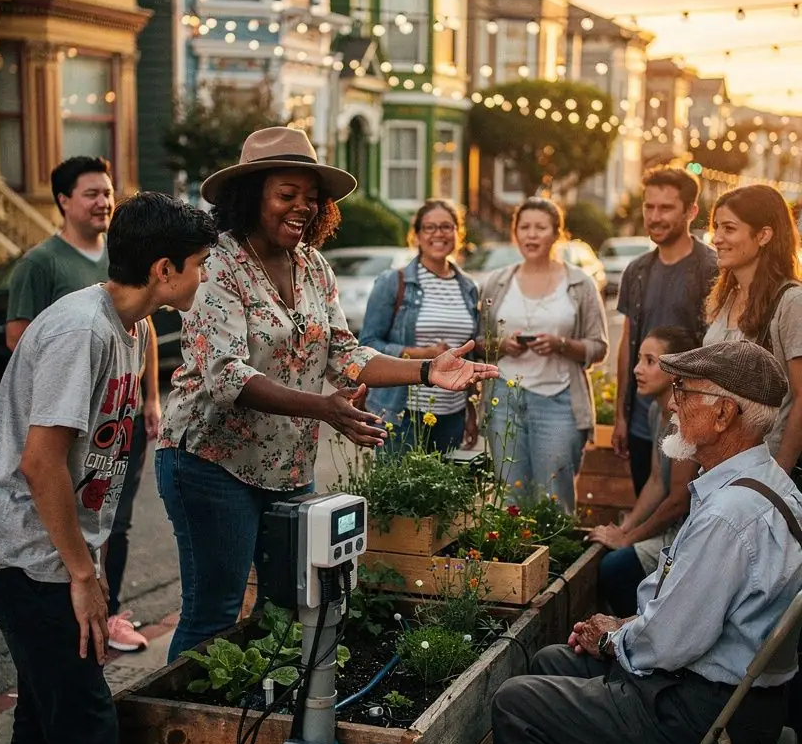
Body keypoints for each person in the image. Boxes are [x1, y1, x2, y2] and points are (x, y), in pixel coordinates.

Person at [477, 340, 802, 744]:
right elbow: (687, 617)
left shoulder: (730, 515)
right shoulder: (765, 487)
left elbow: (669, 644)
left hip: (707, 720)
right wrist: (618, 632)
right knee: (556, 660)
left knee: (520, 704)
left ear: (726, 413)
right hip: (738, 708)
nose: (672, 405)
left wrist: (615, 638)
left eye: (684, 393)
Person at [0, 192, 216, 744]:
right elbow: (40, 462)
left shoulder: (132, 325)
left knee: (50, 722)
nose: (206, 276)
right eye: (199, 265)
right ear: (163, 269)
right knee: (85, 731)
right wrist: (83, 577)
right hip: (28, 559)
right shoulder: (83, 330)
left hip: (49, 554)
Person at [156, 128, 498, 663]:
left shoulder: (313, 265)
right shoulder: (216, 264)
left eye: (311, 197)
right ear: (251, 195)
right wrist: (325, 409)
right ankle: (182, 738)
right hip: (209, 460)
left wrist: (428, 371)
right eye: (287, 194)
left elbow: (345, 352)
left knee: (286, 604)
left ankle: (262, 720)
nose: (303, 207)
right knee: (214, 613)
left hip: (287, 465)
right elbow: (226, 377)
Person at [6, 156, 161, 654]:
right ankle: (84, 595)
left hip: (119, 418)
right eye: (91, 193)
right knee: (70, 516)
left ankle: (106, 610)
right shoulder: (42, 263)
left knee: (110, 515)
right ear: (64, 201)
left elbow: (145, 326)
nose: (103, 201)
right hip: (68, 419)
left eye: (107, 191)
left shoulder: (120, 255)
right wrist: (73, 376)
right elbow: (22, 338)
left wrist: (150, 396)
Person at [476, 196, 608, 512]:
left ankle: (556, 561)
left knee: (554, 499)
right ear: (515, 233)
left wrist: (561, 344)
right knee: (509, 499)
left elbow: (599, 346)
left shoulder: (579, 283)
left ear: (556, 234)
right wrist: (503, 346)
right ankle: (516, 563)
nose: (532, 235)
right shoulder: (497, 282)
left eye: (540, 227)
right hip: (504, 397)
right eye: (525, 227)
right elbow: (479, 342)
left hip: (559, 399)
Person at [614, 167, 717, 494]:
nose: (655, 216)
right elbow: (626, 343)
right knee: (644, 509)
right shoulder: (637, 270)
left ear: (691, 211)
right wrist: (621, 414)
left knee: (682, 515)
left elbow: (716, 352)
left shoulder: (712, 269)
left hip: (690, 419)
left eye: (666, 208)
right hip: (642, 420)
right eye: (649, 207)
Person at [592, 326, 697, 616]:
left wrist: (630, 538)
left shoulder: (684, 418)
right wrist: (624, 528)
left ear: (675, 371)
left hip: (688, 534)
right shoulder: (655, 410)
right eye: (639, 359)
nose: (637, 369)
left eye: (650, 361)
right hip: (672, 528)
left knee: (615, 568)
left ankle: (642, 637)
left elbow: (679, 500)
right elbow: (655, 482)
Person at [360, 199, 479, 453]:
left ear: (458, 234)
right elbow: (367, 346)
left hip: (452, 413)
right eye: (430, 227)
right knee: (401, 492)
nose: (439, 234)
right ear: (416, 236)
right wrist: (424, 355)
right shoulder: (393, 282)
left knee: (447, 493)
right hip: (403, 413)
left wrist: (471, 411)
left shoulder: (469, 288)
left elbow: (469, 353)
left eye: (446, 226)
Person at [705, 184, 802, 480]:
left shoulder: (791, 301)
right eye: (716, 227)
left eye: (729, 229)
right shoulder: (727, 298)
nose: (717, 238)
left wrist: (778, 476)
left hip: (763, 470)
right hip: (721, 466)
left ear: (764, 235)